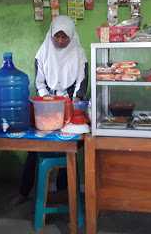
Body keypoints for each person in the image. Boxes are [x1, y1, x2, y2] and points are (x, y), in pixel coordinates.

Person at [18, 15, 88, 201]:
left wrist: (71, 103)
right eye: (56, 36)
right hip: (47, 108)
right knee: (34, 147)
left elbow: (81, 84)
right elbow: (39, 83)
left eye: (64, 37)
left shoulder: (79, 54)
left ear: (71, 36)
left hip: (70, 107)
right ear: (51, 35)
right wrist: (47, 101)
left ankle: (64, 190)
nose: (60, 40)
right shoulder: (42, 53)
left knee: (69, 147)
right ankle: (25, 191)